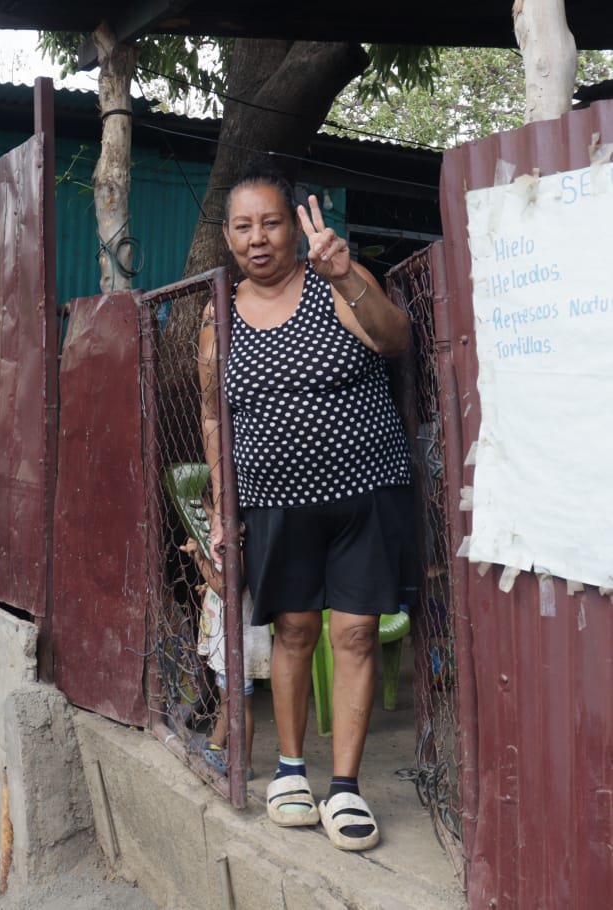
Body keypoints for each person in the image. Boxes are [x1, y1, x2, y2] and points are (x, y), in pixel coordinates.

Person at [197, 159, 412, 852]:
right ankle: (290, 770)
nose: (257, 238)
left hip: (363, 494)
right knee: (293, 632)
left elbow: (393, 338)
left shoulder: (333, 283)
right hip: (274, 504)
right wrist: (224, 506)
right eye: (242, 226)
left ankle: (344, 787)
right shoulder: (218, 315)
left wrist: (346, 274)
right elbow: (210, 416)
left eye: (269, 222)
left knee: (352, 633)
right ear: (226, 238)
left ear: (293, 227)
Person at [182, 480, 271, 780]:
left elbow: (230, 590)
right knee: (228, 701)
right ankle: (215, 746)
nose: (210, 525)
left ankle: (242, 764)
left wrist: (200, 560)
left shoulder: (241, 548)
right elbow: (221, 582)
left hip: (240, 640)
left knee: (239, 704)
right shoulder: (231, 544)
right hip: (226, 639)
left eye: (213, 518)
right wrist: (208, 585)